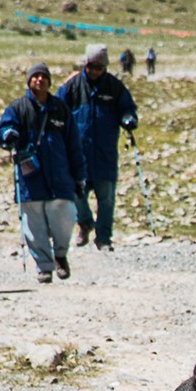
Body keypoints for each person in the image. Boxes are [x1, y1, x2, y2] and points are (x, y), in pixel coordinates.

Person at [0, 63, 87, 283]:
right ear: (28, 82)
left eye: (43, 76)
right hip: (31, 177)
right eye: (35, 76)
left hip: (60, 175)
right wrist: (9, 134)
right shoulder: (18, 108)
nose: (39, 80)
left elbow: (74, 143)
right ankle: (44, 267)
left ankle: (61, 255)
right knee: (34, 223)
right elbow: (4, 128)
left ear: (49, 81)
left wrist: (79, 175)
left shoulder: (61, 109)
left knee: (65, 216)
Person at [57, 44, 138, 252]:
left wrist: (128, 119)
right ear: (85, 64)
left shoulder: (114, 87)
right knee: (77, 194)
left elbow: (127, 108)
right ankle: (84, 223)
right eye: (91, 66)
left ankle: (103, 238)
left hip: (105, 154)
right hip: (78, 153)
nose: (94, 71)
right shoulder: (72, 86)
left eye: (99, 68)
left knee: (107, 199)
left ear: (105, 67)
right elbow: (56, 109)